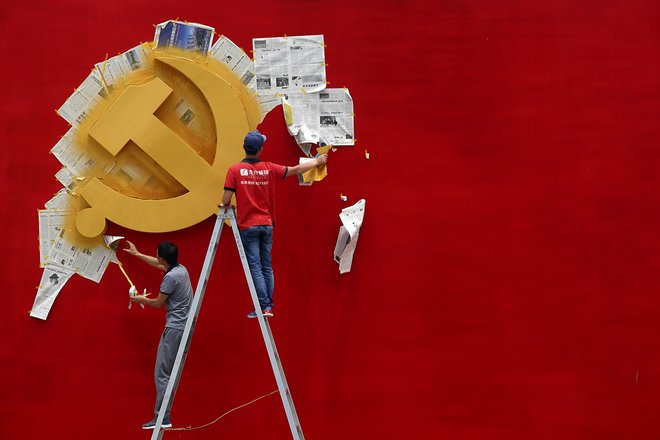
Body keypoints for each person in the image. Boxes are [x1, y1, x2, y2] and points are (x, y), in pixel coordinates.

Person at [221, 130, 327, 318]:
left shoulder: (234, 170)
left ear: (245, 148)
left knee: (255, 267)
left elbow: (226, 199)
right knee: (267, 266)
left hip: (248, 226)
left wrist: (227, 205)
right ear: (260, 149)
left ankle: (263, 306)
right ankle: (268, 306)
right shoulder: (269, 168)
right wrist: (317, 162)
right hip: (267, 224)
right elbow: (295, 170)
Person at [123, 241, 193, 430]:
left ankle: (162, 417)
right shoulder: (181, 270)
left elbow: (157, 303)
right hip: (184, 327)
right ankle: (164, 415)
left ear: (163, 258)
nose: (157, 259)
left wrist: (138, 300)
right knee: (167, 373)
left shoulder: (170, 278)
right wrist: (136, 254)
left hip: (175, 329)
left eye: (158, 256)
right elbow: (157, 263)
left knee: (161, 374)